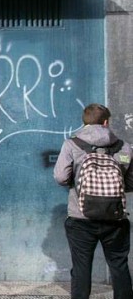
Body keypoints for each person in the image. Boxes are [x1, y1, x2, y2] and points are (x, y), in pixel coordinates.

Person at [53, 103, 133, 299]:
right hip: (115, 218)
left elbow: (61, 177)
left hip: (81, 217)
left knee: (81, 268)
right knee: (119, 266)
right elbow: (130, 183)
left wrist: (80, 184)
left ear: (84, 122)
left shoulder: (71, 144)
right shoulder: (124, 147)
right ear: (106, 122)